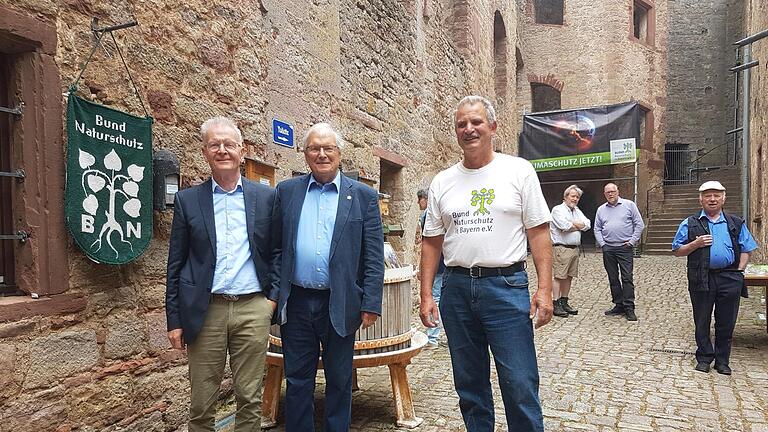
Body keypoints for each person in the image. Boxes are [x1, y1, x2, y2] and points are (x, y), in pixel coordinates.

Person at [419, 95, 553, 431]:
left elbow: (538, 233)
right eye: (461, 124)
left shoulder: (518, 171)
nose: (469, 129)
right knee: (469, 385)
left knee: (519, 381)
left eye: (476, 122)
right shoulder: (442, 182)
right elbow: (431, 243)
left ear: (492, 127)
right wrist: (425, 295)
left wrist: (546, 289)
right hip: (457, 288)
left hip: (505, 286)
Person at [270, 122, 384, 432]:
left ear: (339, 153)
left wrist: (371, 302)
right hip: (296, 302)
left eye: (328, 148)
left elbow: (373, 255)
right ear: (304, 154)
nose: (322, 154)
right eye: (314, 148)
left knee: (340, 379)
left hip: (341, 301)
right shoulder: (287, 191)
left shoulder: (362, 196)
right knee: (297, 380)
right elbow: (277, 248)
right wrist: (275, 294)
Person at [165, 116, 277, 432]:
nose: (222, 150)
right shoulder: (188, 200)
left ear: (242, 151)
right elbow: (176, 263)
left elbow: (278, 252)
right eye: (215, 144)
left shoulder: (266, 198)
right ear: (205, 152)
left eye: (229, 144)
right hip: (205, 309)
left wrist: (271, 301)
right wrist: (174, 319)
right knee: (202, 401)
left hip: (252, 307)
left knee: (249, 398)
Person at [672, 180, 757, 375]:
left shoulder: (735, 222)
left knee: (726, 321)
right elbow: (677, 250)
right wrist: (695, 244)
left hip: (730, 277)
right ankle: (703, 357)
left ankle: (722, 361)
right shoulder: (690, 223)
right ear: (700, 199)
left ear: (723, 198)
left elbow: (747, 248)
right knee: (702, 320)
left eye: (716, 195)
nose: (712, 199)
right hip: (701, 277)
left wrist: (740, 271)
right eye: (708, 196)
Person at [594, 183, 645, 321]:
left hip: (625, 248)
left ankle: (629, 307)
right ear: (605, 194)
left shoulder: (629, 205)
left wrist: (632, 242)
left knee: (627, 278)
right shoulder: (601, 209)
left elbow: (639, 224)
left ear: (618, 191)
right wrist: (603, 244)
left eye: (613, 191)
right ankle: (618, 304)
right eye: (607, 192)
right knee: (613, 278)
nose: (610, 194)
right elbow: (597, 228)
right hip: (608, 248)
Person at [550, 184, 591, 318]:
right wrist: (578, 225)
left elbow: (588, 224)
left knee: (569, 276)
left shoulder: (576, 210)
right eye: (573, 196)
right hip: (562, 248)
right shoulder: (558, 210)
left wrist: (574, 224)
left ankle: (564, 301)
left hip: (574, 249)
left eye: (577, 197)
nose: (575, 199)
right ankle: (555, 303)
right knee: (559, 276)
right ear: (565, 196)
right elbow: (564, 226)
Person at [417, 189, 445, 348]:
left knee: (434, 297)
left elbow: (428, 244)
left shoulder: (428, 215)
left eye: (419, 200)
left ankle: (432, 337)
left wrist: (424, 269)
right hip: (445, 264)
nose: (418, 204)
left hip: (437, 265)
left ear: (425, 199)